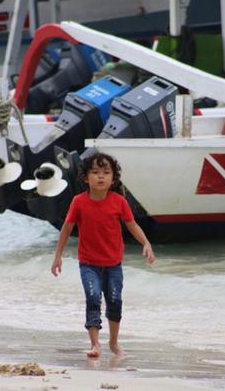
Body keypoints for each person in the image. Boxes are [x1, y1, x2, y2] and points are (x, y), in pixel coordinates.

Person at [51, 152, 155, 359]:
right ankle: (95, 345)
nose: (101, 177)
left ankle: (114, 344)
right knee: (93, 298)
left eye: (106, 172)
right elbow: (66, 228)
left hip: (113, 264)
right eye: (95, 172)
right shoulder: (79, 202)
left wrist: (146, 243)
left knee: (115, 300)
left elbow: (132, 225)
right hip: (88, 264)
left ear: (113, 179)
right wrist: (58, 256)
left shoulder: (119, 201)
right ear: (85, 177)